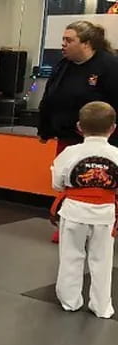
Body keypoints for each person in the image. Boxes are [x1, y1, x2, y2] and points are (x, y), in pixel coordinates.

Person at [38, 21, 118, 242]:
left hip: (103, 139)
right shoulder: (62, 66)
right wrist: (44, 129)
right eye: (63, 40)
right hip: (69, 136)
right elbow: (49, 98)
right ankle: (68, 224)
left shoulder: (110, 67)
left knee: (101, 182)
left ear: (87, 43)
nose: (63, 44)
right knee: (69, 181)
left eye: (69, 40)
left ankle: (108, 225)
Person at [50, 101, 118, 319]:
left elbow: (57, 184)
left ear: (79, 127)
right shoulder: (116, 154)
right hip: (106, 214)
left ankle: (70, 301)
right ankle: (101, 306)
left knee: (71, 256)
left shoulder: (70, 153)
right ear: (113, 128)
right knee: (102, 261)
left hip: (74, 212)